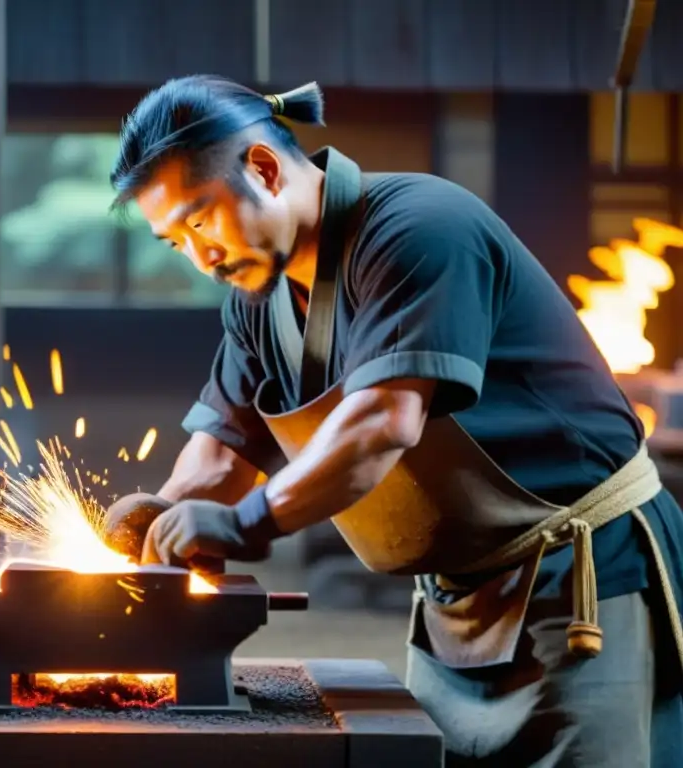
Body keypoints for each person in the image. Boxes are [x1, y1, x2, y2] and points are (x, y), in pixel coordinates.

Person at [102, 74, 683, 767]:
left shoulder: (418, 228)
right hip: (451, 603)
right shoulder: (256, 298)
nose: (202, 258)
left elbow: (383, 420)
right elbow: (223, 454)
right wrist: (163, 516)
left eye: (200, 221)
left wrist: (246, 522)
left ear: (262, 168)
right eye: (175, 243)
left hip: (582, 584)